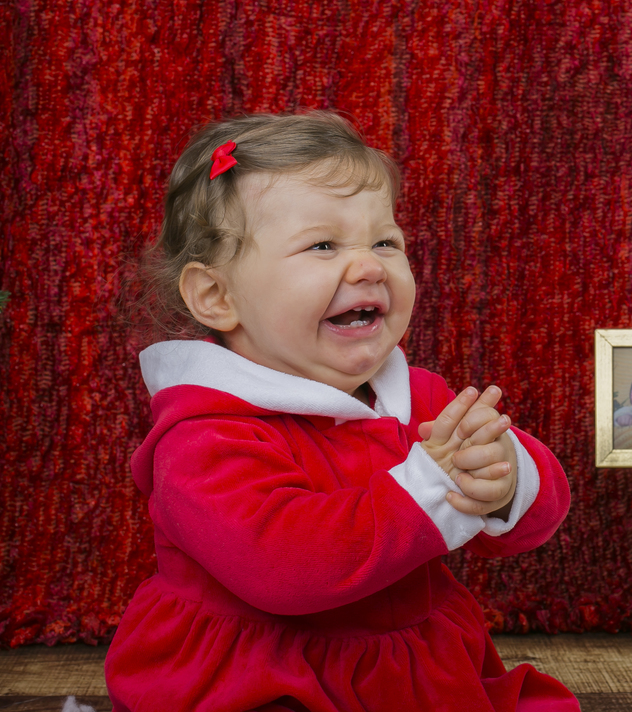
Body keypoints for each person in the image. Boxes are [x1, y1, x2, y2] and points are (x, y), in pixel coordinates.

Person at [104, 112, 578, 711]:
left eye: (386, 241)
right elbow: (284, 570)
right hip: (264, 680)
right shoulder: (203, 434)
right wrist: (427, 490)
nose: (369, 266)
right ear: (217, 296)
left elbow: (536, 522)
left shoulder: (422, 398)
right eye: (323, 246)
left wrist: (505, 475)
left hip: (417, 674)